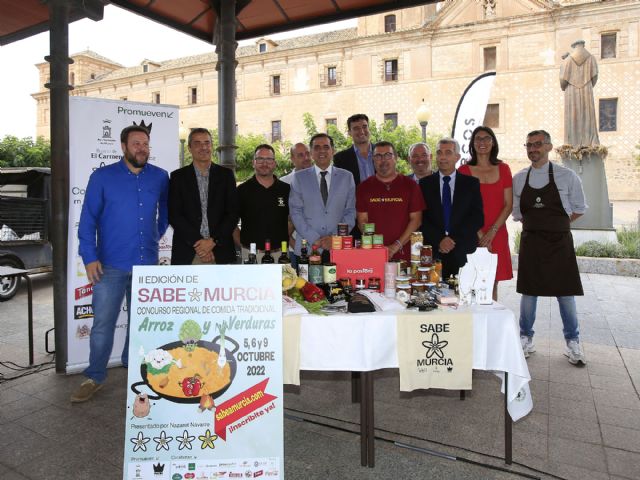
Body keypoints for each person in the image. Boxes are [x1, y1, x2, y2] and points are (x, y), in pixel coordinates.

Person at [72, 125, 169, 402]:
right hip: (110, 265)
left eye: (146, 143)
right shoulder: (102, 177)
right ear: (123, 147)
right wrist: (89, 257)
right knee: (103, 324)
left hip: (146, 264)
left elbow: (164, 213)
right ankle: (94, 376)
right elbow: (88, 221)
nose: (142, 148)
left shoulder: (160, 177)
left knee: (143, 323)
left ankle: (133, 366)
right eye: (136, 143)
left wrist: (155, 235)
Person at [513, 130, 587, 365]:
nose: (532, 149)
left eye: (537, 144)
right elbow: (518, 213)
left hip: (559, 243)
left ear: (549, 147)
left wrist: (555, 226)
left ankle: (573, 343)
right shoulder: (519, 178)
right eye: (529, 145)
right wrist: (538, 226)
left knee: (565, 294)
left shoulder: (568, 176)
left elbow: (579, 208)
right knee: (529, 292)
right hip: (531, 242)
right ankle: (525, 339)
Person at [168, 128, 238, 265]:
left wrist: (212, 241)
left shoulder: (226, 175)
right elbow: (174, 215)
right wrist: (200, 245)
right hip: (189, 252)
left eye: (207, 142)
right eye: (197, 143)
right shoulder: (178, 177)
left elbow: (233, 213)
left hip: (220, 251)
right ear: (189, 148)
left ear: (211, 146)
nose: (203, 147)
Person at [458, 126, 513, 300]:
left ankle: (491, 323)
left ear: (493, 142)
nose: (482, 142)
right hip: (472, 233)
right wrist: (480, 234)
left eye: (487, 138)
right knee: (471, 281)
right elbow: (463, 208)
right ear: (472, 144)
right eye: (478, 139)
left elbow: (508, 204)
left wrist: (491, 233)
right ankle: (473, 324)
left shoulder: (504, 168)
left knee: (492, 282)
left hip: (497, 232)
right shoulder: (464, 171)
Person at [419, 138, 484, 281]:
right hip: (434, 251)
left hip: (463, 250)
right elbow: (421, 219)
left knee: (464, 296)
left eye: (448, 152)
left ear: (457, 157)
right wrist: (440, 240)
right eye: (439, 152)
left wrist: (452, 239)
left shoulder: (471, 184)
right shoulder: (424, 184)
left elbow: (477, 218)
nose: (442, 157)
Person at [289, 133, 356, 262]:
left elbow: (350, 212)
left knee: (338, 282)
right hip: (308, 247)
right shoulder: (299, 178)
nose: (322, 151)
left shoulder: (347, 177)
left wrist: (334, 238)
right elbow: (295, 212)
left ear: (333, 151)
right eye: (317, 147)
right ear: (311, 152)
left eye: (326, 147)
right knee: (307, 283)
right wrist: (314, 239)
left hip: (337, 247)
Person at [356, 141, 425, 261]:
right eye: (378, 156)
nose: (383, 160)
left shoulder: (411, 185)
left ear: (396, 158)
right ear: (373, 159)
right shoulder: (364, 187)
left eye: (388, 155)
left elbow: (416, 221)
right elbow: (362, 221)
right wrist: (378, 248)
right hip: (374, 254)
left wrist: (395, 246)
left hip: (405, 255)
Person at [235, 144, 292, 263]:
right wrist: (243, 245)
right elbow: (231, 223)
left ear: (275, 163)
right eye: (260, 159)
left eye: (269, 159)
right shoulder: (242, 190)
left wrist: (281, 238)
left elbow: (292, 220)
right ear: (253, 162)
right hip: (250, 255)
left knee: (284, 282)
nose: (264, 163)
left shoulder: (286, 190)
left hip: (280, 255)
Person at [560, 40, 599, 146]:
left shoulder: (567, 60)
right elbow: (595, 77)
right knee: (588, 117)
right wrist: (588, 86)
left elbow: (563, 81)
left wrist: (566, 87)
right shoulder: (591, 58)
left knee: (572, 117)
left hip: (571, 92)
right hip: (587, 91)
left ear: (574, 47)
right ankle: (590, 142)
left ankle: (573, 142)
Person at [280, 142, 312, 266]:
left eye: (307, 154)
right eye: (300, 155)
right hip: (293, 249)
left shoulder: (322, 179)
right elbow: (282, 219)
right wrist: (293, 244)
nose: (306, 158)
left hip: (318, 247)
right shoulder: (283, 183)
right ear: (292, 159)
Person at [334, 114, 375, 185]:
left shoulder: (383, 152)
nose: (362, 131)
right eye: (356, 128)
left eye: (364, 127)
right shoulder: (340, 159)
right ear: (349, 132)